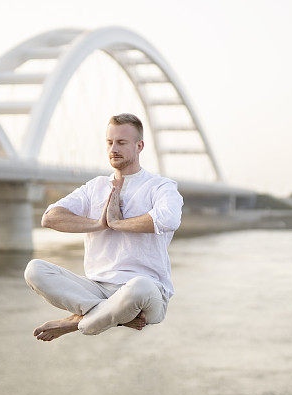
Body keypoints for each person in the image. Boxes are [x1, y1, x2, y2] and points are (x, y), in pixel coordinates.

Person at [24, 113, 184, 341]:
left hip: (147, 292)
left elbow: (168, 219)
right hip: (95, 288)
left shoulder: (161, 187)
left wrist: (118, 223)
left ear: (139, 146)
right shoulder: (95, 187)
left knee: (140, 286)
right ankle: (114, 315)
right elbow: (49, 217)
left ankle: (75, 322)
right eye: (109, 142)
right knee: (35, 270)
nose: (113, 148)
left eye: (121, 142)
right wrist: (99, 224)